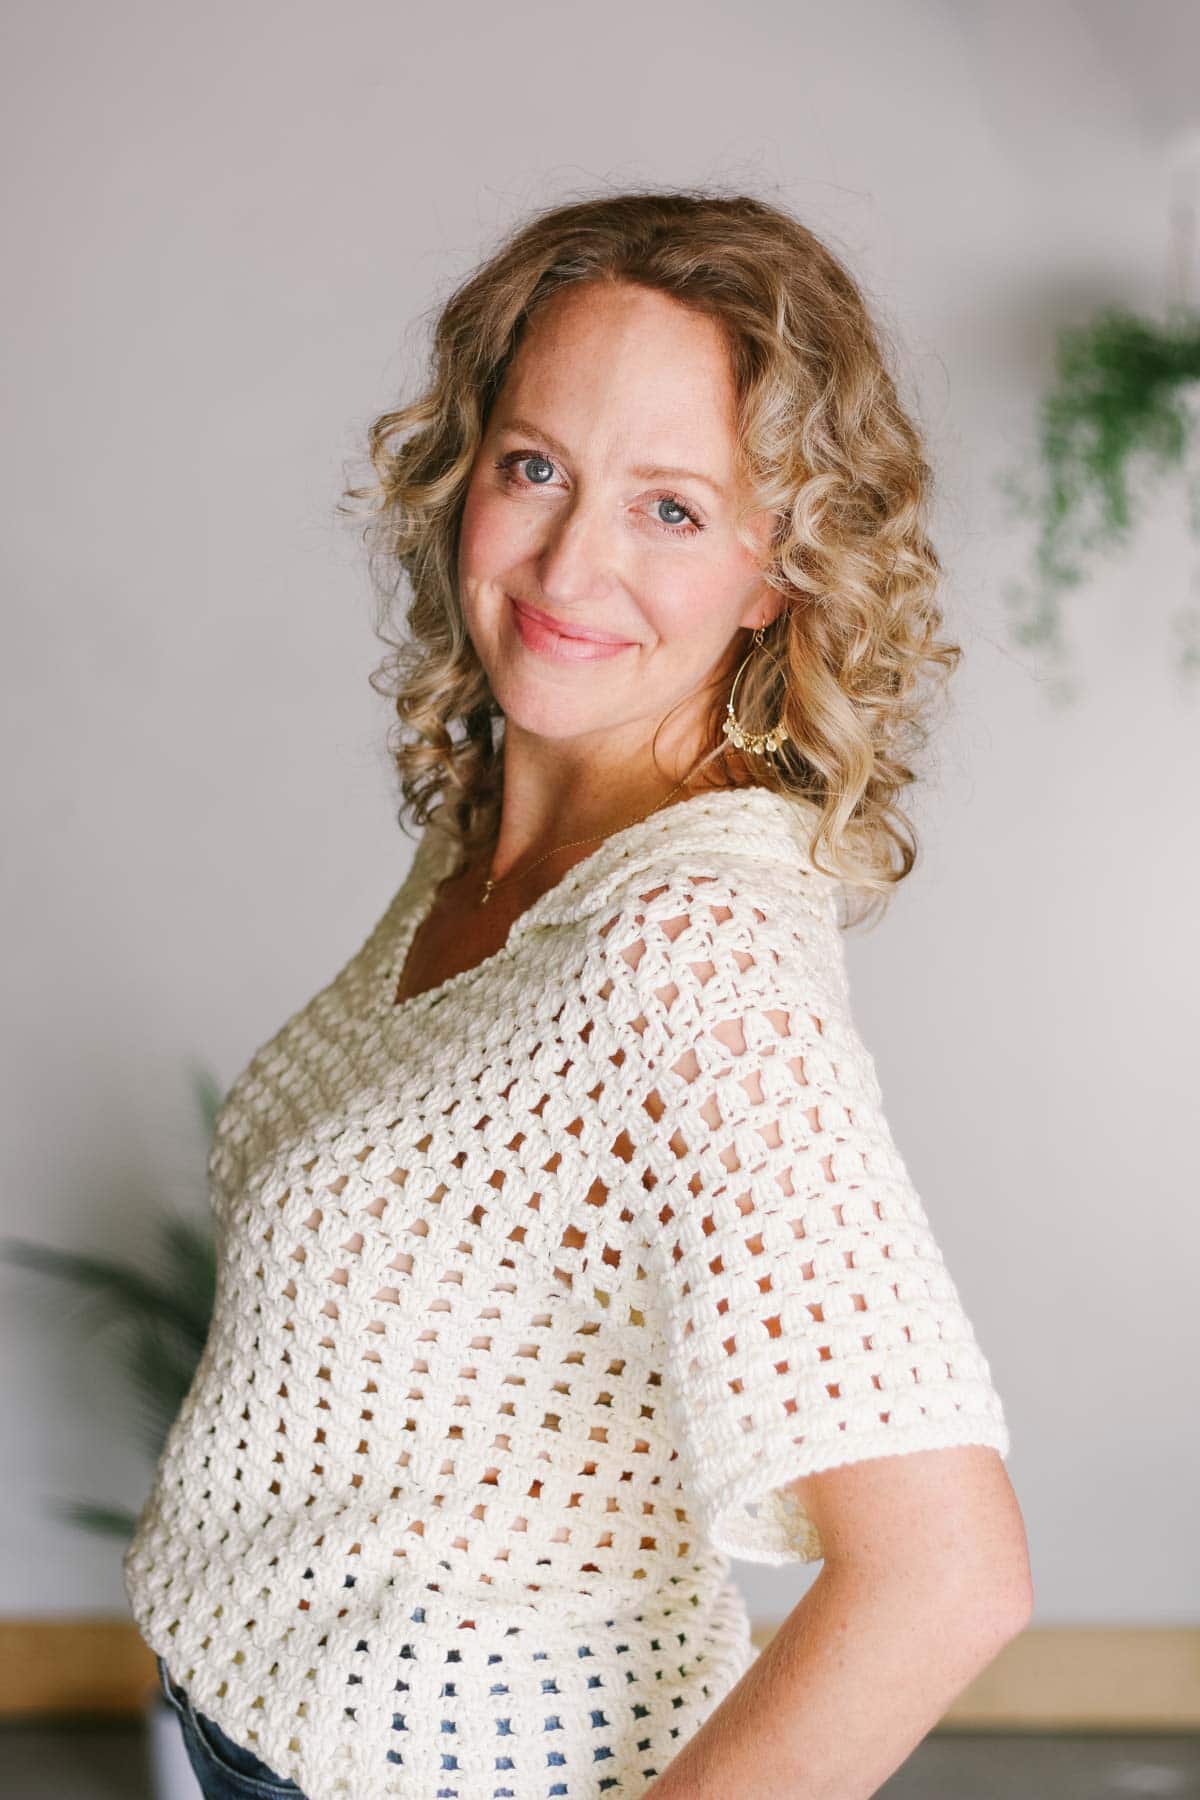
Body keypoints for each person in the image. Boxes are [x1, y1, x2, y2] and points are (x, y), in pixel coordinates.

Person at [124, 188, 1031, 1800]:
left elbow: (945, 1577)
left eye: (672, 508)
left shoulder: (685, 950)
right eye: (535, 466)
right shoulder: (506, 837)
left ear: (780, 570)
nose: (569, 560)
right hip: (251, 1728)